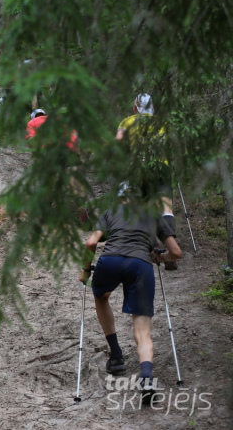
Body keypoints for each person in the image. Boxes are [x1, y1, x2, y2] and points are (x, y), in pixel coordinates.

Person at [80, 184, 182, 395]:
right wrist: (161, 257)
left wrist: (86, 271)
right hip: (141, 265)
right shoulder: (154, 215)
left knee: (101, 296)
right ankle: (146, 378)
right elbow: (176, 253)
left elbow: (91, 242)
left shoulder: (110, 212)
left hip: (110, 261)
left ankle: (116, 356)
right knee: (143, 331)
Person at [115, 93, 174, 221]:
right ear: (152, 107)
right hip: (160, 166)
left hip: (136, 166)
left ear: (135, 107)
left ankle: (132, 235)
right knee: (166, 208)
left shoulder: (127, 121)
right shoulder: (162, 122)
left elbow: (118, 141)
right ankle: (169, 237)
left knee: (131, 203)